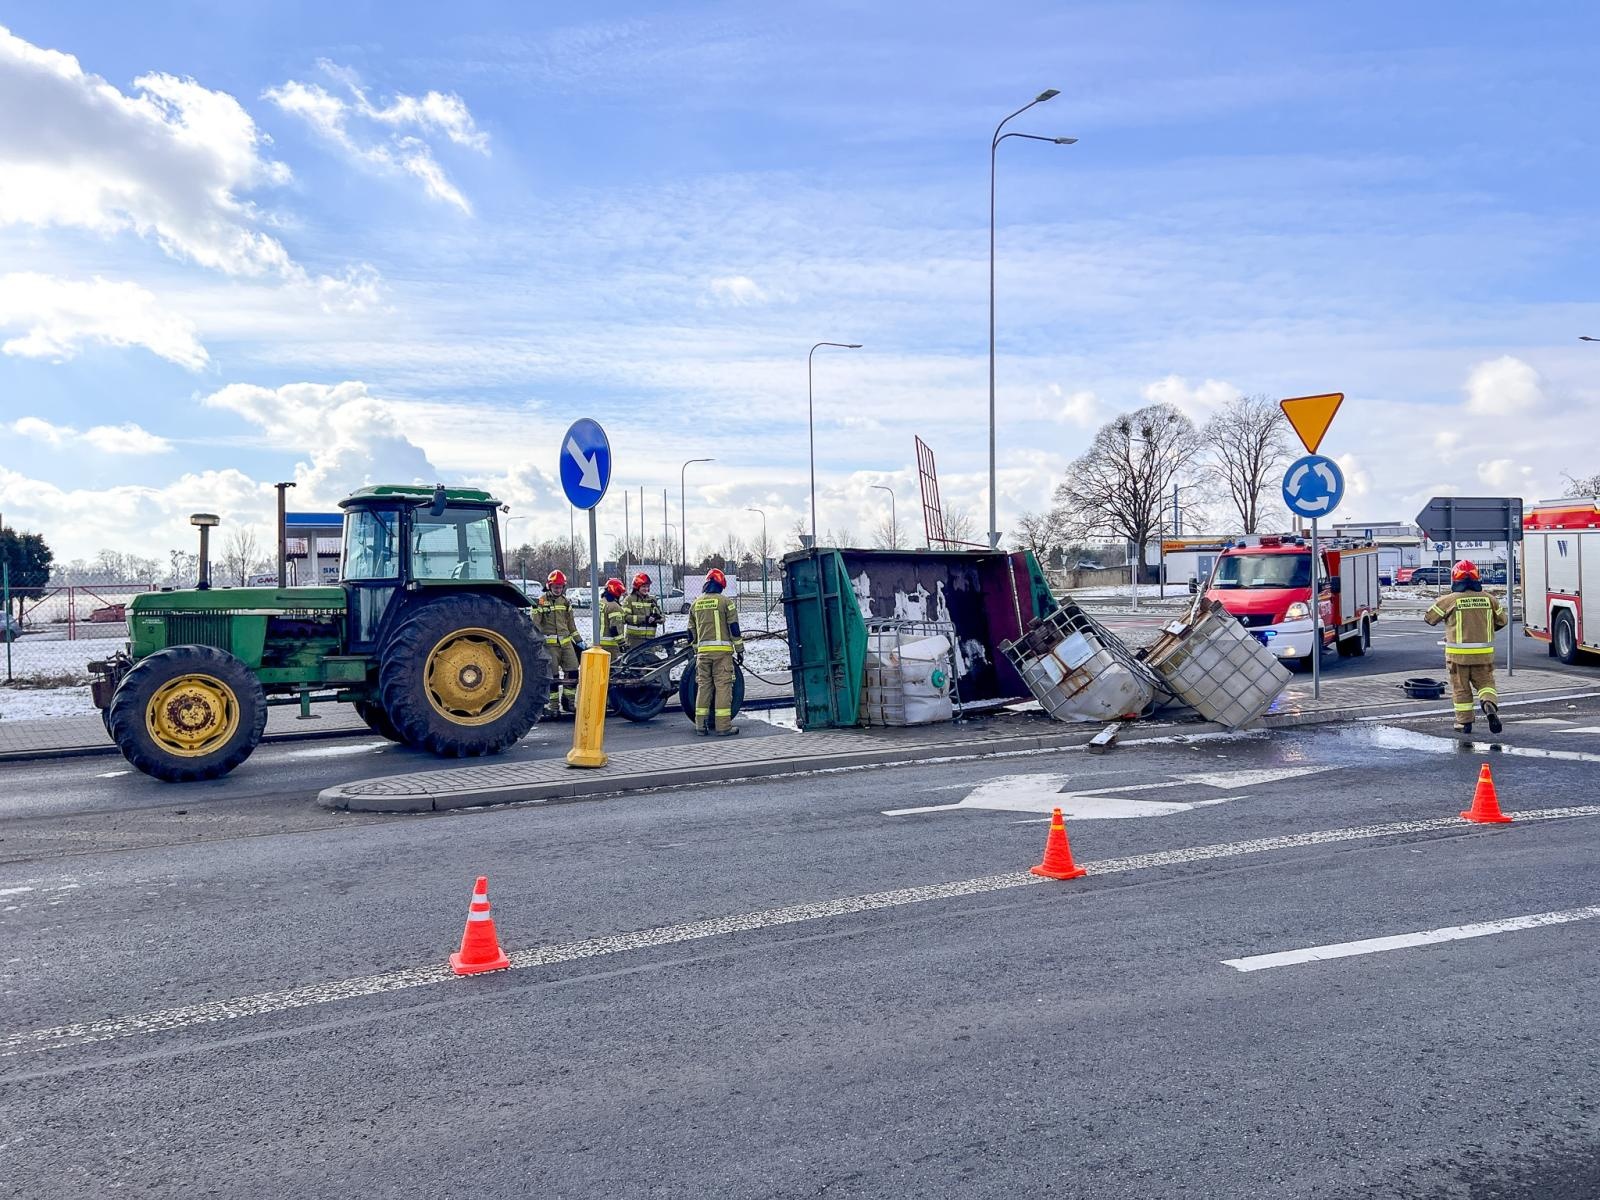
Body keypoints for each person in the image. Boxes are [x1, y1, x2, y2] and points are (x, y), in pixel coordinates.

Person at [1423, 560, 1508, 735]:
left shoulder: (1450, 600)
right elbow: (1503, 621)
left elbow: (1429, 618)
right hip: (1483, 655)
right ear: (1478, 577)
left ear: (1455, 579)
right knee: (1486, 684)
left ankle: (1464, 723)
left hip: (1458, 657)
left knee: (1461, 689)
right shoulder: (1489, 599)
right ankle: (1488, 704)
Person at [687, 568, 743, 736]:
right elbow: (734, 628)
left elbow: (690, 632)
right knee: (723, 687)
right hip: (722, 654)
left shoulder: (695, 604)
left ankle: (700, 726)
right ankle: (723, 727)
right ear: (721, 585)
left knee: (703, 687)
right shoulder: (726, 602)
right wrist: (739, 649)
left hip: (702, 654)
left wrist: (697, 649)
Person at [533, 570, 581, 714]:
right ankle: (553, 706)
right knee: (553, 677)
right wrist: (539, 642)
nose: (558, 589)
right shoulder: (541, 601)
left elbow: (571, 624)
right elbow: (536, 624)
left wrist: (579, 641)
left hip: (566, 644)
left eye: (560, 587)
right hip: (549, 646)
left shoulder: (566, 601)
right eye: (555, 587)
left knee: (573, 672)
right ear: (549, 586)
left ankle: (568, 701)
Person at [622, 572, 664, 648]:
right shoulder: (629, 599)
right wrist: (644, 619)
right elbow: (625, 618)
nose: (646, 589)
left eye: (647, 586)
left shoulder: (652, 599)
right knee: (635, 660)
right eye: (643, 586)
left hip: (650, 640)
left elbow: (662, 617)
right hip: (634, 640)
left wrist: (656, 618)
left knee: (651, 659)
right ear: (637, 587)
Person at [599, 578, 626, 653]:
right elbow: (614, 628)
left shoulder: (601, 602)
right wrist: (621, 643)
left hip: (598, 641)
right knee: (612, 664)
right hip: (610, 645)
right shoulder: (614, 606)